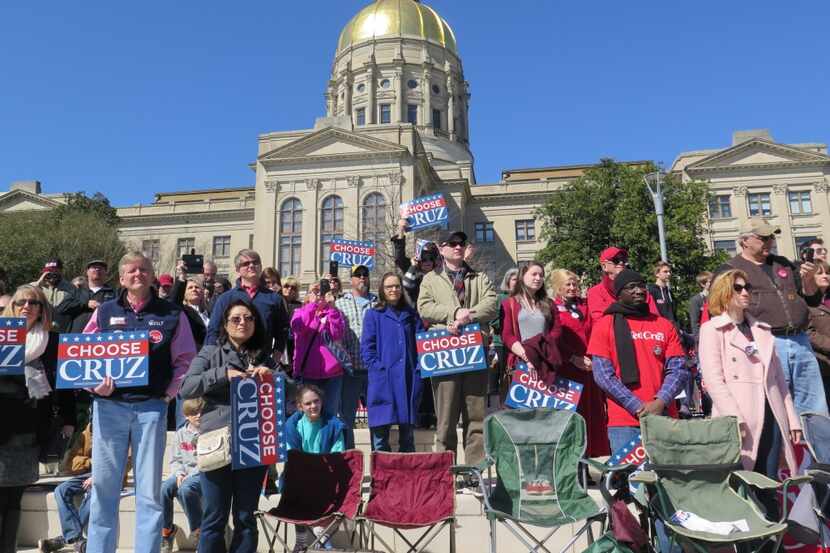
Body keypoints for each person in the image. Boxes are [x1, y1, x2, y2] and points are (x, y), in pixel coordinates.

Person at [82, 251, 197, 553]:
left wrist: (169, 393)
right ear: (121, 278)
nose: (138, 274)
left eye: (144, 269)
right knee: (104, 489)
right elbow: (80, 356)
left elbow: (186, 359)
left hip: (151, 408)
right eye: (131, 270)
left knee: (148, 492)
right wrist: (95, 386)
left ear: (152, 275)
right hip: (109, 408)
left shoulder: (172, 314)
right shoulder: (104, 312)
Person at [699, 269, 802, 517]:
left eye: (747, 288)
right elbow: (714, 380)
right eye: (738, 288)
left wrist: (792, 418)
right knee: (739, 486)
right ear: (723, 293)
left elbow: (779, 380)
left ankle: (770, 542)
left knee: (769, 486)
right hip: (739, 420)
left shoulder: (763, 330)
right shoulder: (712, 329)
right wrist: (735, 417)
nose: (745, 292)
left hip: (772, 415)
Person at [180, 298, 277, 553]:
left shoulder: (264, 356)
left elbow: (289, 391)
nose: (242, 323)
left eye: (248, 318)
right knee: (214, 516)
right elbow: (186, 388)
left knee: (246, 517)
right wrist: (223, 374)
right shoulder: (210, 353)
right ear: (225, 324)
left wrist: (272, 376)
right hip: (217, 441)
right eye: (236, 318)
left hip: (252, 444)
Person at [716, 217, 828, 416]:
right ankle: (786, 447)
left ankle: (818, 447)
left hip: (801, 342)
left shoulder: (783, 263)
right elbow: (719, 311)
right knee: (778, 407)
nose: (769, 241)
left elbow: (811, 299)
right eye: (763, 237)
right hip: (766, 343)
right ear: (745, 240)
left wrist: (809, 279)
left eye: (771, 237)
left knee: (815, 409)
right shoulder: (730, 269)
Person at [1, 285, 76, 553]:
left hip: (31, 429)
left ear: (43, 309)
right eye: (22, 301)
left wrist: (69, 420)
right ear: (13, 305)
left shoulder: (52, 341)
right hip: (1, 428)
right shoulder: (2, 337)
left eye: (35, 303)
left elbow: (65, 384)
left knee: (14, 498)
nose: (27, 306)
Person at [417, 230, 498, 464]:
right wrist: (452, 314)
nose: (457, 247)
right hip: (444, 352)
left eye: (461, 243)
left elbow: (491, 304)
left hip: (474, 350)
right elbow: (424, 308)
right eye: (451, 244)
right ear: (441, 249)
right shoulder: (430, 279)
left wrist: (467, 316)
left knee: (476, 415)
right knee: (446, 417)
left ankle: (475, 470)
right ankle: (446, 469)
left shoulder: (479, 277)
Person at [587, 268, 689, 452]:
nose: (639, 291)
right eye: (631, 287)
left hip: (664, 415)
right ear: (619, 294)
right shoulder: (604, 325)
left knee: (668, 478)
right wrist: (636, 406)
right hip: (625, 421)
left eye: (642, 286)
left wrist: (661, 401)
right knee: (631, 478)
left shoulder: (664, 325)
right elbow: (603, 375)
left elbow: (679, 369)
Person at [360, 272, 425, 452]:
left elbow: (422, 343)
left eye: (397, 286)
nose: (393, 290)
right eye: (389, 287)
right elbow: (367, 348)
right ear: (382, 289)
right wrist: (378, 369)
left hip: (408, 378)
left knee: (407, 437)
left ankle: (407, 477)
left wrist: (419, 368)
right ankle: (381, 477)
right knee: (380, 438)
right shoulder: (373, 315)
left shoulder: (411, 315)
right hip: (383, 381)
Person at [550, 269, 609, 457]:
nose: (572, 288)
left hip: (589, 367)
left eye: (575, 284)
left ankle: (591, 458)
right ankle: (572, 461)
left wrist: (594, 356)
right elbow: (554, 339)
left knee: (593, 414)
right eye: (568, 284)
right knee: (572, 416)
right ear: (558, 287)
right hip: (568, 369)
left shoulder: (585, 306)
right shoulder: (552, 308)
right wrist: (572, 358)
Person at [285, 384, 345, 552]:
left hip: (327, 475)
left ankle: (323, 537)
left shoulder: (333, 425)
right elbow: (292, 457)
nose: (313, 406)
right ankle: (301, 541)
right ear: (300, 406)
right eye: (308, 403)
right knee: (297, 487)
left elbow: (337, 455)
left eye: (316, 401)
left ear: (322, 402)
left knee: (324, 486)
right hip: (300, 477)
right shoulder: (291, 426)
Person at [206, 250, 288, 358]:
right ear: (237, 269)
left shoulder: (274, 299)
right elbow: (213, 331)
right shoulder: (225, 298)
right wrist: (210, 359)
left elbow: (282, 331)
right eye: (245, 264)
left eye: (255, 262)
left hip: (262, 363)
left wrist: (277, 356)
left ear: (260, 266)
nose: (251, 266)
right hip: (230, 362)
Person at [335, 265, 377, 449]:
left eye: (364, 275)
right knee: (347, 417)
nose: (362, 278)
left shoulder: (378, 302)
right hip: (350, 370)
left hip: (373, 370)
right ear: (350, 279)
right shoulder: (340, 303)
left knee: (377, 417)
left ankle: (379, 458)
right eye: (357, 275)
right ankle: (351, 459)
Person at [500, 262, 562, 381]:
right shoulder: (509, 304)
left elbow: (556, 331)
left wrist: (541, 354)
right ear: (522, 276)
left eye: (541, 275)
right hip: (521, 363)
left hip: (546, 361)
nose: (538, 278)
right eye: (534, 274)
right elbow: (507, 335)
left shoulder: (549, 304)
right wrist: (529, 357)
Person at [291, 283, 345, 418]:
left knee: (330, 415)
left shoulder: (334, 313)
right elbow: (298, 327)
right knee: (309, 416)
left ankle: (329, 439)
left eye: (321, 291)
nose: (319, 294)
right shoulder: (299, 312)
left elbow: (337, 335)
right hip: (308, 374)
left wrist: (332, 308)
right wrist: (312, 305)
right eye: (314, 291)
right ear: (307, 295)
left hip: (332, 374)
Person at [160, 398, 205, 553]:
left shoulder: (207, 432)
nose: (198, 415)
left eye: (201, 412)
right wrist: (179, 473)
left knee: (185, 489)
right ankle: (167, 531)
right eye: (194, 413)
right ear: (186, 416)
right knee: (164, 488)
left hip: (201, 473)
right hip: (183, 473)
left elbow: (206, 460)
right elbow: (175, 459)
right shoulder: (180, 433)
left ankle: (199, 532)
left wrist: (189, 475)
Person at [586, 247, 658, 323]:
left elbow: (655, 317)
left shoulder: (640, 289)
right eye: (616, 260)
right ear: (604, 266)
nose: (621, 263)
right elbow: (601, 320)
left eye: (623, 260)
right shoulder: (595, 292)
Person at [391, 218, 439, 304]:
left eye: (431, 258)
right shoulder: (412, 268)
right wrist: (401, 231)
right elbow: (399, 257)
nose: (428, 262)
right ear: (419, 260)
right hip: (415, 313)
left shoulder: (440, 272)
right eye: (424, 259)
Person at [490, 268, 518, 400]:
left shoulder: (525, 298)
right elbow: (493, 320)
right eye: (514, 279)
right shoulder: (501, 298)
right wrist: (507, 327)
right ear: (507, 282)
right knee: (505, 373)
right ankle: (503, 400)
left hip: (520, 343)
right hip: (502, 342)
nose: (517, 282)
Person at [68, 260, 117, 333]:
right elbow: (64, 307)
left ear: (106, 273)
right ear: (87, 272)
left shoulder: (114, 293)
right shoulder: (76, 291)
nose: (97, 269)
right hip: (76, 338)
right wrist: (85, 304)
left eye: (101, 268)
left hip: (103, 338)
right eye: (94, 267)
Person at [31, 258, 78, 332]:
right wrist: (39, 282)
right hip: (39, 329)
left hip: (62, 329)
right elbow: (23, 294)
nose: (51, 274)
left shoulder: (71, 288)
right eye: (48, 272)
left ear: (61, 271)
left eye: (54, 271)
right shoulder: (36, 286)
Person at [807, 260, 830, 408]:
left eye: (828, 273)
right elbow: (808, 332)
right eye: (820, 273)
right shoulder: (805, 302)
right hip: (822, 365)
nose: (825, 276)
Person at [281, 277, 303, 367]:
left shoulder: (300, 305)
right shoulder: (276, 302)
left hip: (294, 343)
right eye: (286, 286)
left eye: (293, 287)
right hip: (280, 343)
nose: (289, 289)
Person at [687, 271, 712, 342]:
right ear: (702, 284)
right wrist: (698, 339)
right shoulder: (696, 300)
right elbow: (694, 323)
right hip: (703, 337)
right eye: (710, 281)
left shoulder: (716, 298)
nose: (713, 283)